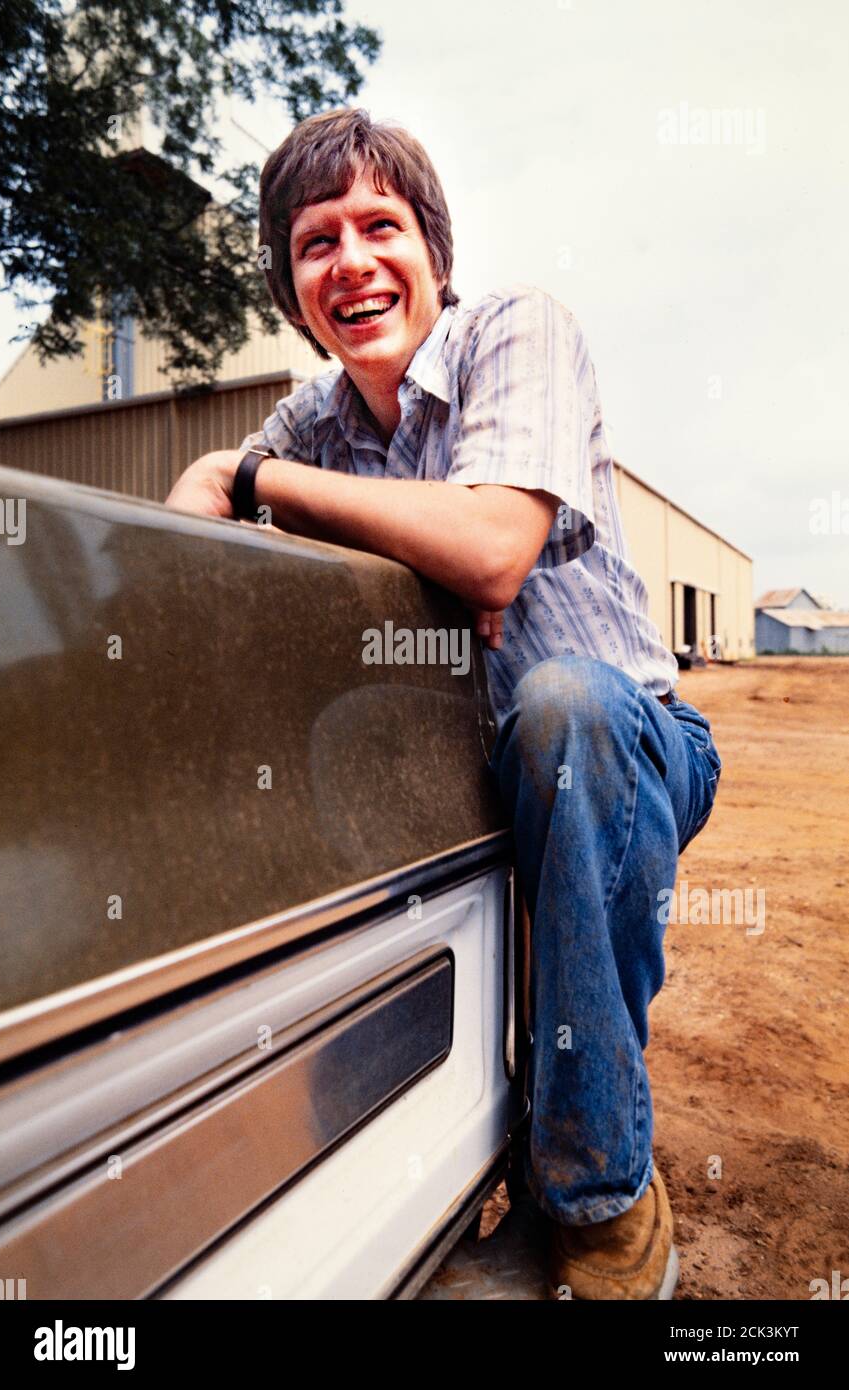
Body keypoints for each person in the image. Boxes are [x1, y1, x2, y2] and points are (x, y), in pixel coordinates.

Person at [165, 106, 722, 1300]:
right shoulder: (313, 423)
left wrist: (282, 491)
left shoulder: (514, 332)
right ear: (291, 285)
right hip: (457, 756)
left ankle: (600, 1193)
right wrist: (245, 492)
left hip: (623, 739)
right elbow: (191, 538)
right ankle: (401, 1147)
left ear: (434, 251)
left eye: (381, 226)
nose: (351, 261)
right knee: (330, 733)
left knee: (561, 707)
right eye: (316, 243)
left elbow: (489, 554)